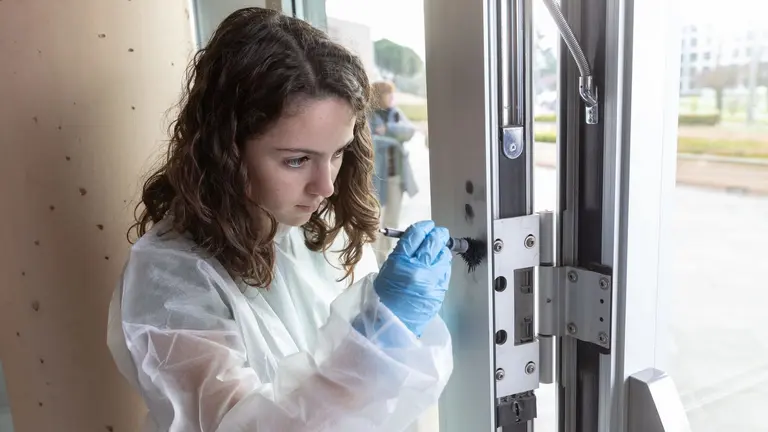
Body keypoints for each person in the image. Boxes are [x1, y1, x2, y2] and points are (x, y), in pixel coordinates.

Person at [105, 7, 454, 432]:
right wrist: (377, 340)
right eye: (296, 160)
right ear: (226, 151)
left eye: (339, 152)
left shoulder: (312, 230)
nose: (325, 187)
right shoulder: (171, 279)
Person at [369, 81, 420, 264]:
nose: (392, 98)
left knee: (392, 219)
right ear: (378, 96)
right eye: (388, 94)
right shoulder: (369, 115)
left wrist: (389, 130)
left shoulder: (396, 113)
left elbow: (409, 131)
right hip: (377, 177)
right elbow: (370, 141)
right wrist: (393, 141)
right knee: (375, 219)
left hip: (396, 176)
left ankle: (385, 258)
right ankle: (373, 259)